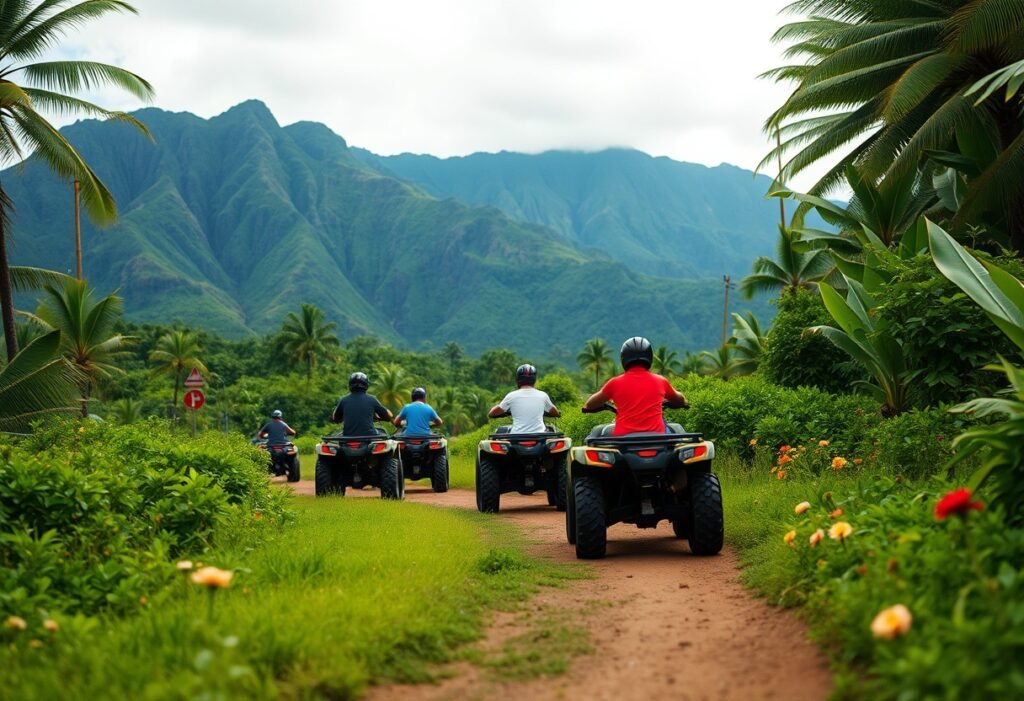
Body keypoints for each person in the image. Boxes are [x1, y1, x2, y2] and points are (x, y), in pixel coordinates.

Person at [582, 337, 689, 435]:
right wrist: (683, 402)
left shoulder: (614, 383)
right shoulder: (661, 381)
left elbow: (590, 404)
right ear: (649, 357)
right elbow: (680, 399)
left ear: (623, 358)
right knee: (677, 432)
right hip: (657, 439)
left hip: (623, 442)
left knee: (595, 436)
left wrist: (596, 405)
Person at [488, 364, 560, 433]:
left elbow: (492, 413)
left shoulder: (511, 396)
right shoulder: (543, 395)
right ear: (534, 380)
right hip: (540, 436)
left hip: (516, 437)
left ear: (517, 380)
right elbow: (555, 412)